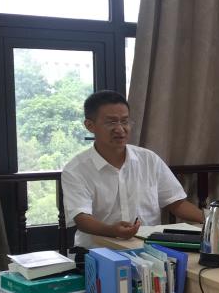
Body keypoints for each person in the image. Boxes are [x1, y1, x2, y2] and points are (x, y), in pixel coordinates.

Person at [61, 91, 205, 248]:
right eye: (111, 122)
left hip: (149, 251)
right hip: (97, 253)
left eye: (125, 121)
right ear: (90, 126)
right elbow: (82, 219)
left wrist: (212, 220)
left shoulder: (149, 159)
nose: (120, 129)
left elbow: (176, 203)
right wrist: (112, 231)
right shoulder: (76, 170)